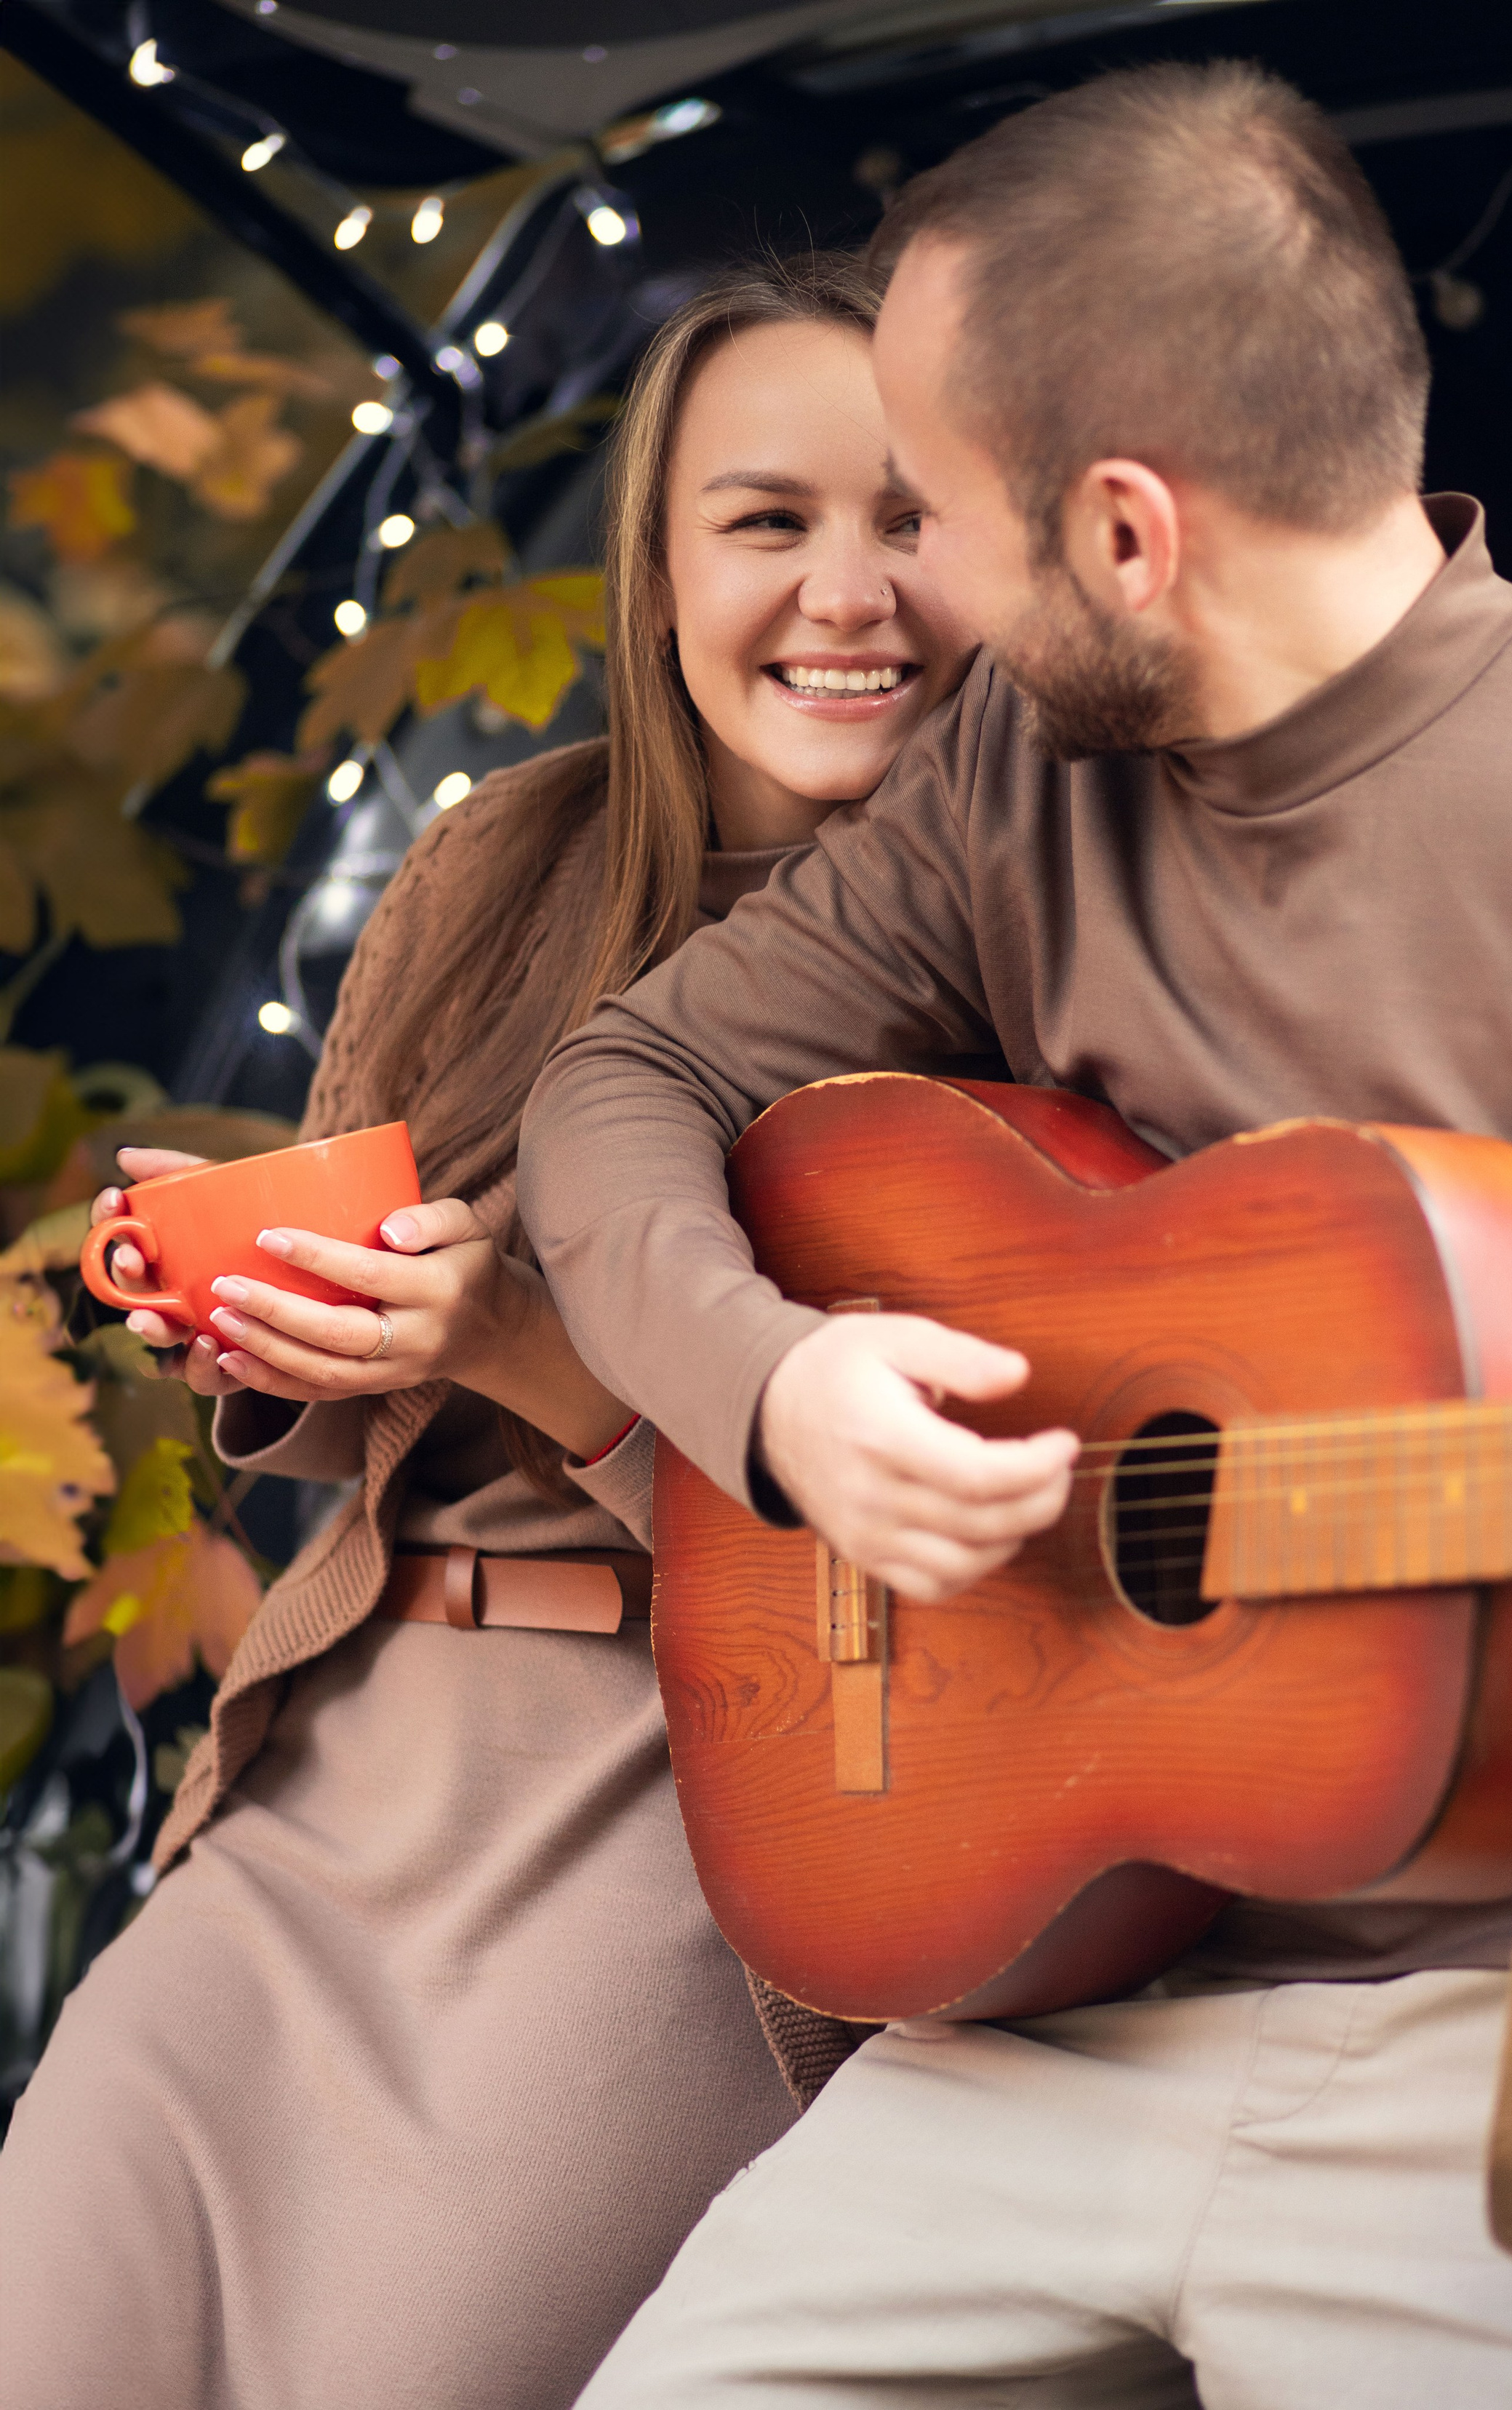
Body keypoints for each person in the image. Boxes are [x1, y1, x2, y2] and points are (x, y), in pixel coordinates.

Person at [516, 65, 1512, 2410]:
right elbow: (628, 1082)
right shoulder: (1020, 774)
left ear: (1128, 534)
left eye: (933, 511)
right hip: (1073, 1972)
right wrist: (777, 1380)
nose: (901, 588)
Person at [0, 252, 974, 2410]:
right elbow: (361, 1391)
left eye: (911, 517)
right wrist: (245, 1299)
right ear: (654, 561)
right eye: (767, 519)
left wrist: (524, 1336)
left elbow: (974, 1558)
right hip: (331, 1785)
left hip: (669, 1841)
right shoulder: (501, 855)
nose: (846, 590)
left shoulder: (1047, 955)